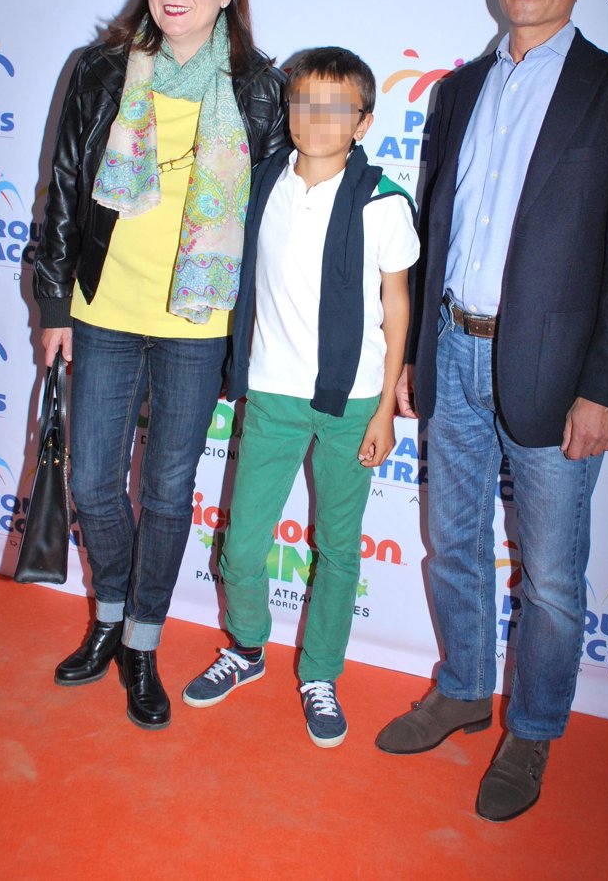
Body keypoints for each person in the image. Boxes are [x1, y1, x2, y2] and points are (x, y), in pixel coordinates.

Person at [375, 0, 608, 819]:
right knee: (453, 543)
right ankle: (465, 689)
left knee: (549, 576)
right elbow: (437, 228)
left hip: (556, 372)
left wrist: (606, 387)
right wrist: (417, 355)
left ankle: (534, 728)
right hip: (453, 350)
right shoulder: (458, 91)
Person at [33, 0, 287, 730]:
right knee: (93, 482)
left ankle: (142, 641)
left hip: (198, 320)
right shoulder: (104, 68)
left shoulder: (261, 88)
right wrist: (53, 302)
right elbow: (63, 187)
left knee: (170, 490)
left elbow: (275, 221)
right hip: (104, 306)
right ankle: (108, 614)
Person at [182, 47, 419, 746]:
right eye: (303, 102)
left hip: (353, 400)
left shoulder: (383, 201)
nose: (316, 118)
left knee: (338, 550)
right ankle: (247, 647)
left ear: (363, 121)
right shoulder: (262, 182)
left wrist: (385, 410)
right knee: (242, 547)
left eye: (335, 107)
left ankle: (320, 673)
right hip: (272, 394)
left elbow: (397, 306)